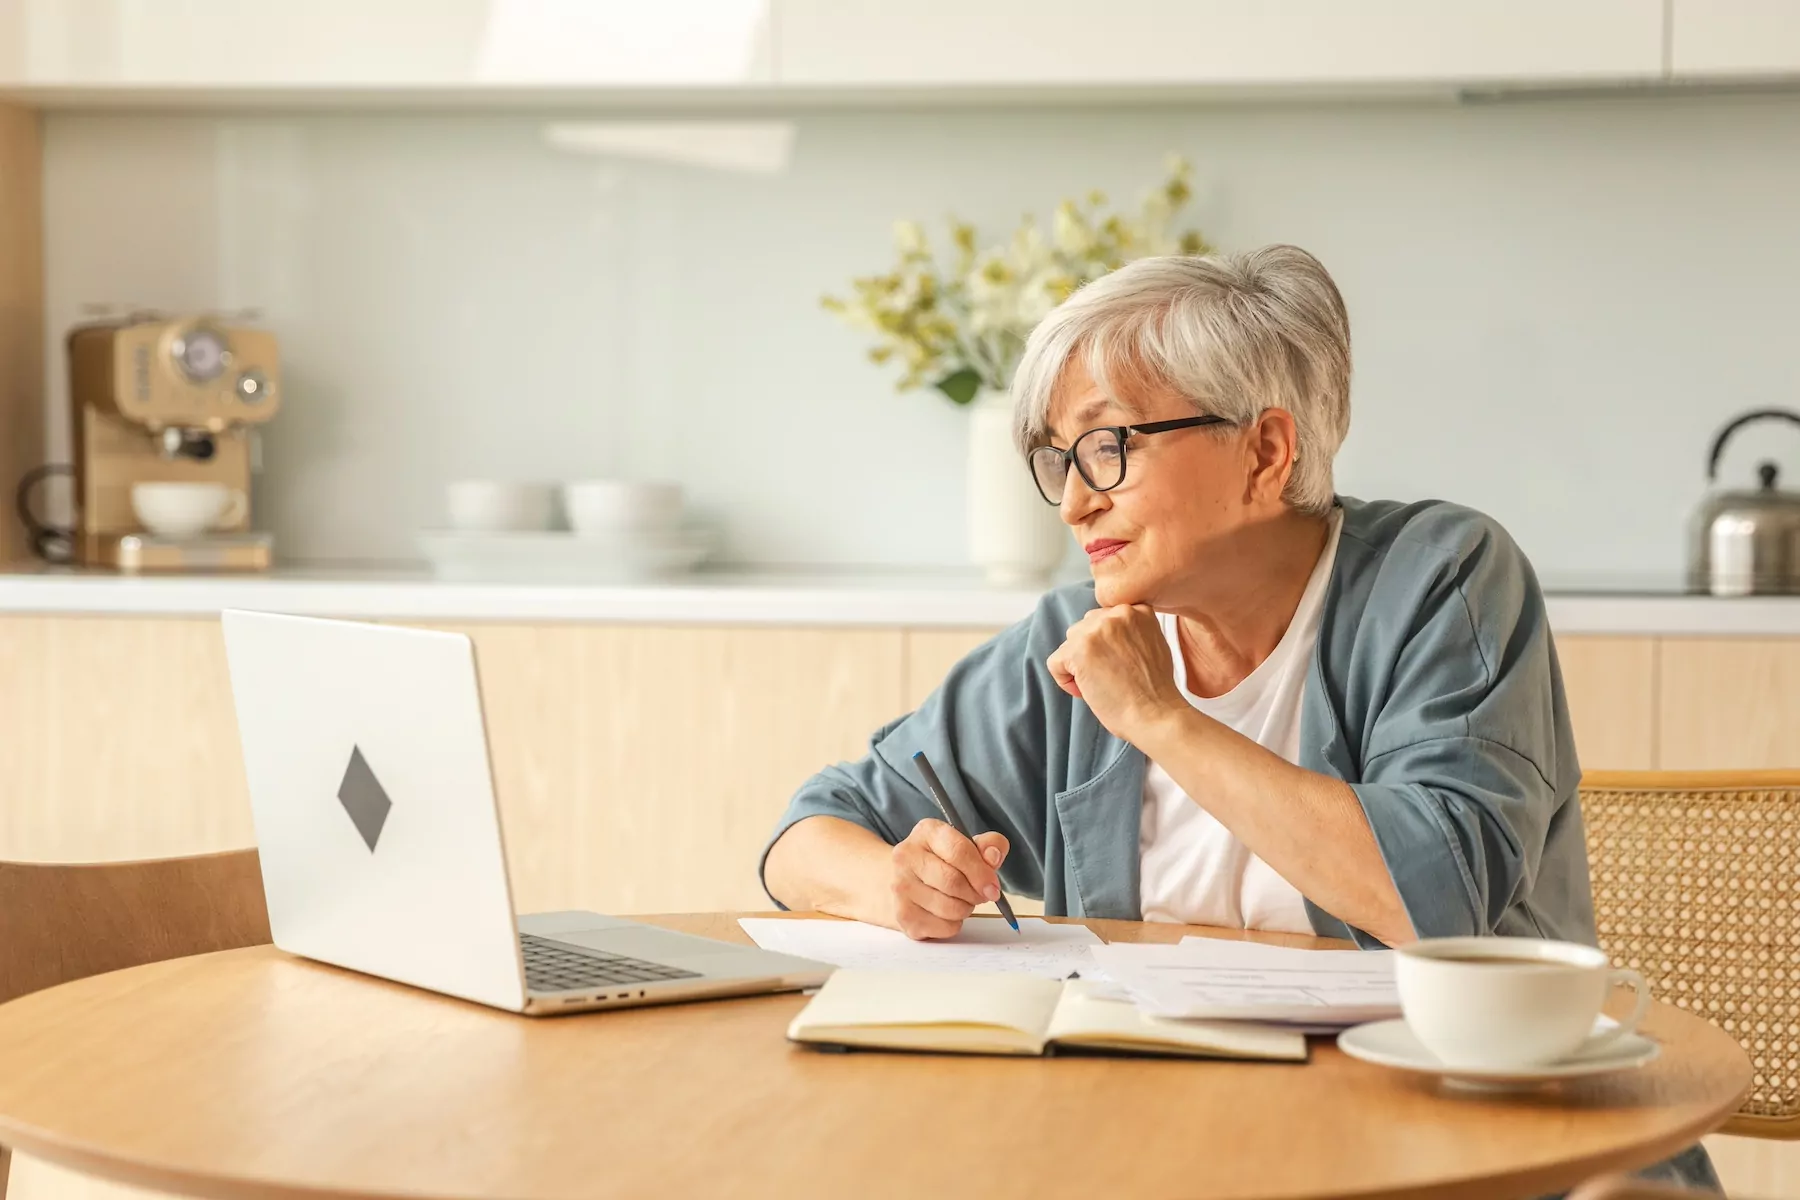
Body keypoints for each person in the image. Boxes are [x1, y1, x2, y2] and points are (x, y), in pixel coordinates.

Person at [760, 246, 1713, 1189]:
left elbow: (1432, 900)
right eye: (1060, 458)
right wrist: (893, 883)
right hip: (1179, 1145)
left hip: (1483, 1149)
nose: (1078, 499)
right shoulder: (1076, 632)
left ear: (1266, 452)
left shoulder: (1442, 575)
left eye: (1111, 444)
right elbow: (805, 834)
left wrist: (1162, 718)